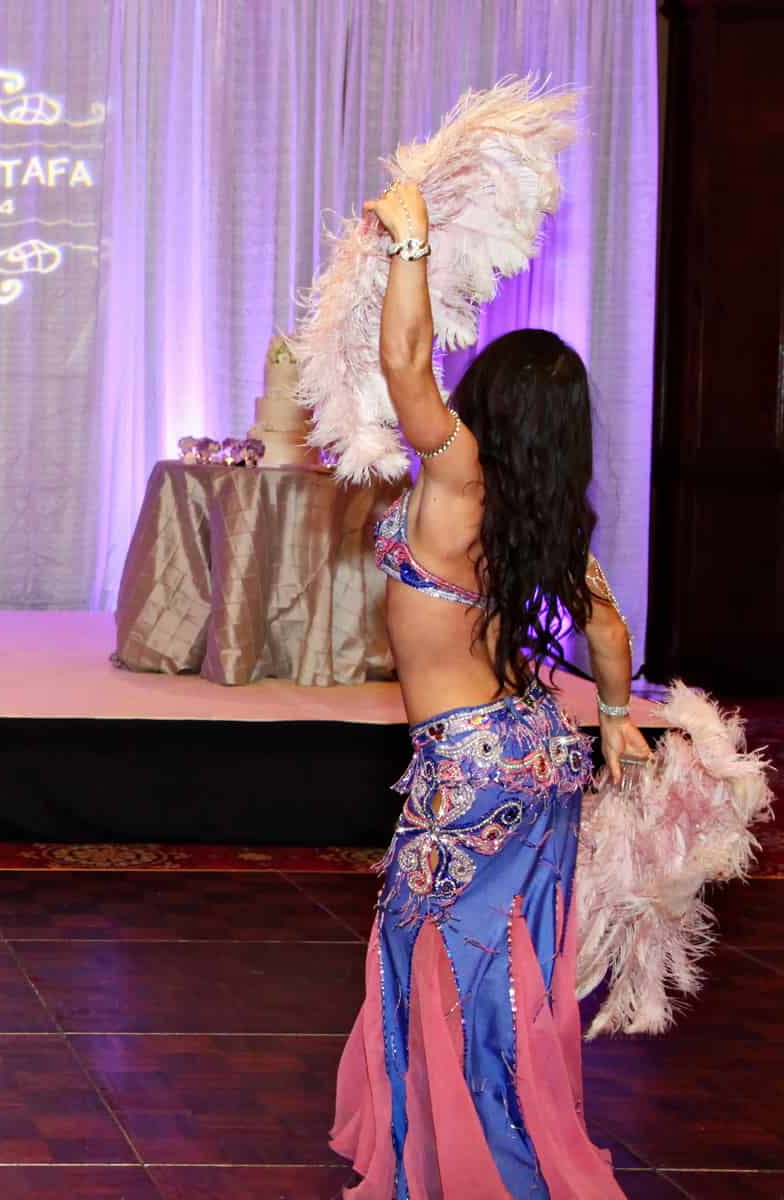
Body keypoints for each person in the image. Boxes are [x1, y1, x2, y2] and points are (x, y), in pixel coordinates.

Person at [329, 178, 652, 1199]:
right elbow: (607, 626)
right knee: (516, 965)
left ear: (488, 406)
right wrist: (615, 722)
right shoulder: (540, 509)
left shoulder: (461, 472)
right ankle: (496, 1142)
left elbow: (403, 362)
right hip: (539, 756)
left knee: (452, 966)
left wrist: (412, 245)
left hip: (468, 763)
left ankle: (477, 1164)